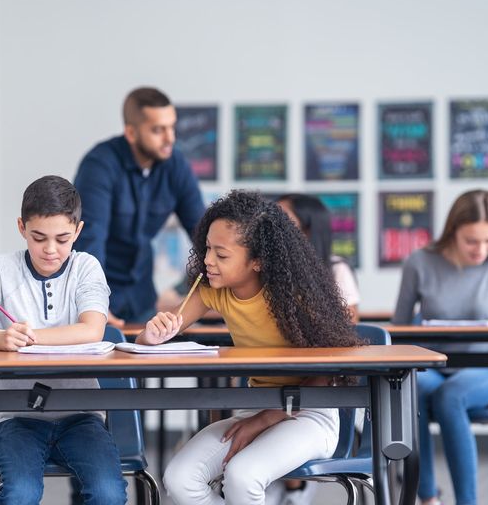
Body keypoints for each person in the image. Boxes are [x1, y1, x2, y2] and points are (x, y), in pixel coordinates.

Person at [136, 190, 361, 505]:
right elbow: (153, 336)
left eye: (221, 255)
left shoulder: (295, 296)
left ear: (257, 260)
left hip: (309, 413)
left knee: (243, 476)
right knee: (180, 478)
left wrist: (266, 418)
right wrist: (152, 335)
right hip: (256, 406)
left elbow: (331, 371)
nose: (208, 261)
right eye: (207, 249)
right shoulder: (214, 290)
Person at [0, 175, 127, 505]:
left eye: (62, 238)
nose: (51, 250)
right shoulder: (0, 271)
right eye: (39, 237)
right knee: (20, 494)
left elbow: (92, 330)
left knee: (108, 493)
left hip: (81, 415)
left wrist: (29, 338)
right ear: (21, 227)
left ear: (78, 231)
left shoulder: (86, 268)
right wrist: (0, 338)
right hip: (14, 417)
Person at [392, 189, 488, 505]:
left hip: (483, 370)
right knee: (412, 390)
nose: (480, 249)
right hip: (431, 367)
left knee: (450, 396)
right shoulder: (420, 262)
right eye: (472, 241)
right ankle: (427, 497)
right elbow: (397, 332)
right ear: (453, 231)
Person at [74, 86, 205, 326]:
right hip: (101, 290)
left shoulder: (175, 165)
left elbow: (203, 231)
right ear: (131, 133)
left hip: (142, 296)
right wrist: (94, 303)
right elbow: (91, 239)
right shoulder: (99, 165)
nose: (170, 138)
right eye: (158, 130)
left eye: (172, 127)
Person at [277, 193, 360, 323]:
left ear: (309, 230)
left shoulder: (337, 269)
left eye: (283, 219)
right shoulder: (261, 265)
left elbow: (349, 325)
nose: (273, 226)